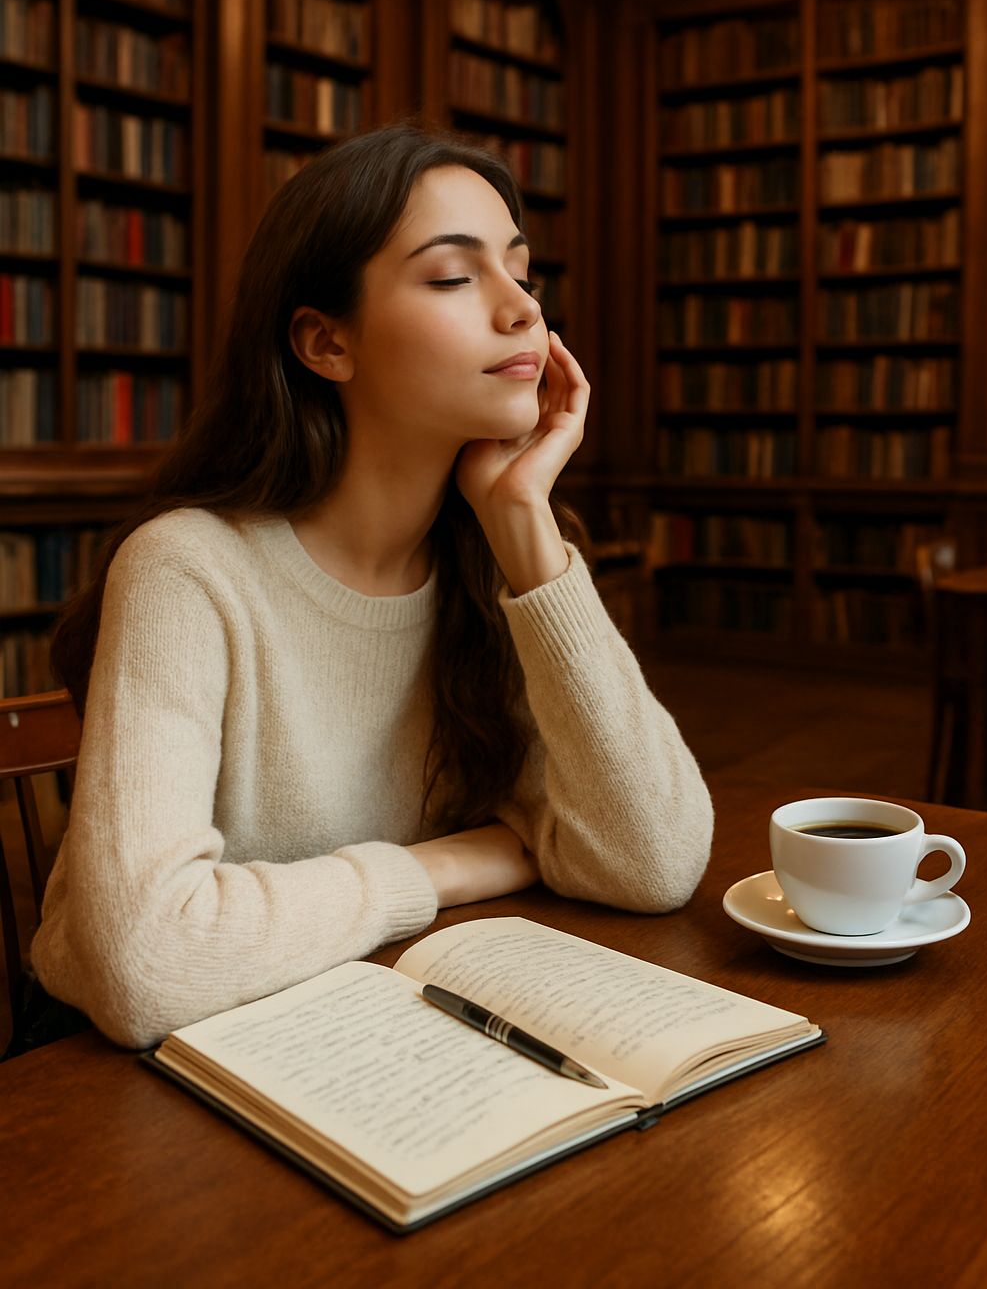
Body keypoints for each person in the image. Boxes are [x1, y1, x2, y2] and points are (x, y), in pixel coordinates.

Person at [29, 121, 713, 1050]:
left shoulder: (499, 559)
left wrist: (523, 521)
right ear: (325, 343)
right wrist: (443, 869)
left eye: (523, 273)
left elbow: (655, 862)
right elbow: (143, 962)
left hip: (388, 1044)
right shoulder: (188, 568)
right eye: (452, 276)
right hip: (160, 1108)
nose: (522, 313)